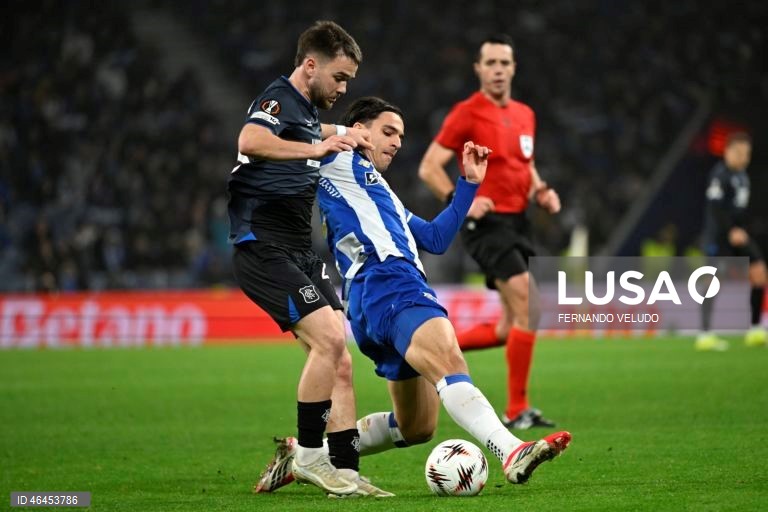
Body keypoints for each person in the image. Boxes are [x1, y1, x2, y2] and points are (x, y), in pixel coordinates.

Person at [254, 97, 571, 494]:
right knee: (450, 361)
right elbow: (284, 131)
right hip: (389, 282)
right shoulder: (336, 157)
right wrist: (338, 132)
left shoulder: (379, 192)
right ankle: (510, 450)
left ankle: (305, 454)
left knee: (417, 425)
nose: (397, 142)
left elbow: (436, 238)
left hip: (370, 301)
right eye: (388, 132)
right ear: (359, 130)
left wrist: (469, 184)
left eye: (401, 136)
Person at [229, 21, 390, 497]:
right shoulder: (278, 98)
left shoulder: (303, 110)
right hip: (262, 246)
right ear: (311, 65)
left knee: (340, 357)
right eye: (339, 78)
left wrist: (346, 132)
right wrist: (317, 148)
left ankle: (345, 469)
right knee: (328, 339)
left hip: (299, 250)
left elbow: (311, 128)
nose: (343, 88)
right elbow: (250, 140)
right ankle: (310, 457)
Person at [418, 35, 561, 429]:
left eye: (504, 63)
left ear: (514, 68)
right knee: (529, 304)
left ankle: (426, 353)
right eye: (491, 63)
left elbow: (524, 164)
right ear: (478, 69)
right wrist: (459, 199)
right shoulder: (467, 113)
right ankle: (517, 410)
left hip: (519, 222)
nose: (498, 70)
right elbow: (429, 166)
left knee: (508, 326)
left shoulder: (525, 114)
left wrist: (542, 191)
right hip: (486, 224)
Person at [695, 132, 767, 351]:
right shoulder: (720, 174)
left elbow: (739, 210)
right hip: (719, 237)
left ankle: (755, 329)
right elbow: (715, 208)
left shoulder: (743, 176)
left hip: (738, 235)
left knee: (759, 272)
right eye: (738, 153)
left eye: (746, 153)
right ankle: (705, 334)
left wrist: (741, 229)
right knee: (712, 282)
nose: (743, 157)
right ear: (727, 152)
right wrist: (731, 230)